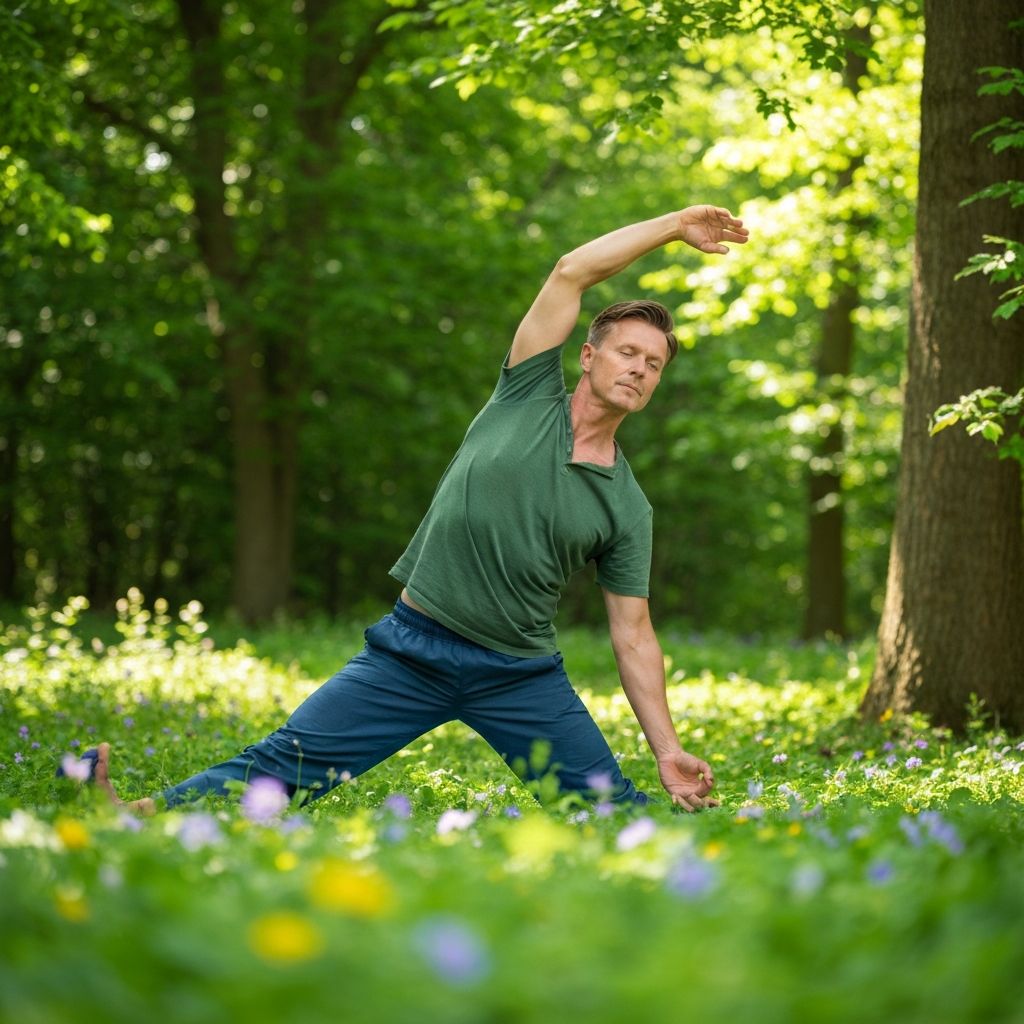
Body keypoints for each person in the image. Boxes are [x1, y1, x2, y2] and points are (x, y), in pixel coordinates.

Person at [92, 204, 749, 816]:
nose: (638, 369)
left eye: (654, 364)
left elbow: (633, 634)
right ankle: (133, 816)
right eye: (627, 352)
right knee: (281, 764)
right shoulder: (524, 393)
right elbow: (571, 271)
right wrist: (675, 225)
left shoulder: (627, 506)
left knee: (607, 814)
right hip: (412, 650)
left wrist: (667, 749)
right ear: (588, 355)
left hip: (517, 676)